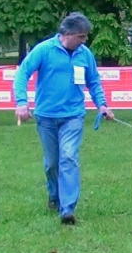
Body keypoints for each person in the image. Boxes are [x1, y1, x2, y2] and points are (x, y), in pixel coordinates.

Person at [13, 12, 114, 225]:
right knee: (52, 163)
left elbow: (94, 82)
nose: (85, 40)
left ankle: (67, 209)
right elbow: (22, 73)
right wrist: (22, 102)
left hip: (74, 116)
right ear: (67, 34)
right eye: (81, 36)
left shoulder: (84, 54)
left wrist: (102, 105)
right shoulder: (44, 50)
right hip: (46, 116)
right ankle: (54, 196)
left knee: (68, 157)